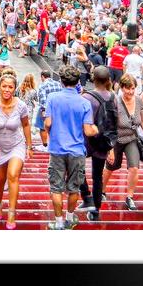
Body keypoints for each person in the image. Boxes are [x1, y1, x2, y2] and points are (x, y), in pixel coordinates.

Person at [44, 65, 98, 229]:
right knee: (73, 188)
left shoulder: (53, 98)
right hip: (76, 151)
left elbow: (48, 123)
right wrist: (96, 129)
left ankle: (58, 223)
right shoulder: (84, 102)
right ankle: (69, 218)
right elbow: (88, 131)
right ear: (77, 82)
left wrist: (50, 133)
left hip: (57, 149)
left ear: (61, 80)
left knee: (56, 188)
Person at [0, 72, 32, 229]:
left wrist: (29, 146)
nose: (7, 89)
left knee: (13, 175)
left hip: (16, 145)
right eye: (4, 86)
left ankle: (12, 212)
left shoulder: (21, 105)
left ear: (14, 88)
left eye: (10, 87)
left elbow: (25, 125)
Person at [102, 74, 143, 211]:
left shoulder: (139, 100)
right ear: (121, 88)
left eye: (133, 88)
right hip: (116, 141)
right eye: (127, 89)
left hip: (131, 139)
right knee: (110, 167)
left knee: (134, 167)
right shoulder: (114, 102)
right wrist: (110, 150)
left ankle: (129, 196)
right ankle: (101, 190)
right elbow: (108, 127)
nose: (131, 92)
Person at [78, 66, 115, 221]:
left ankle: (87, 196)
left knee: (78, 170)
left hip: (86, 140)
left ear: (93, 79)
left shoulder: (85, 97)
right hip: (103, 141)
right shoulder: (114, 97)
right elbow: (115, 123)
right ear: (108, 80)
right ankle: (96, 209)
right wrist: (112, 147)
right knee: (97, 175)